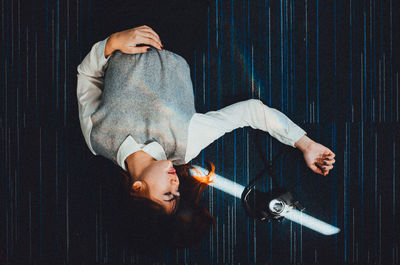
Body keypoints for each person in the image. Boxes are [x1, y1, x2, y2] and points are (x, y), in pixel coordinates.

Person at [76, 25, 335, 248]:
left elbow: (87, 76)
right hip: (175, 30)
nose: (176, 185)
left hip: (117, 22)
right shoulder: (186, 146)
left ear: (138, 188)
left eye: (168, 194)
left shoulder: (97, 140)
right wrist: (305, 144)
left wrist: (111, 43)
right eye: (178, 194)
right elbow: (251, 111)